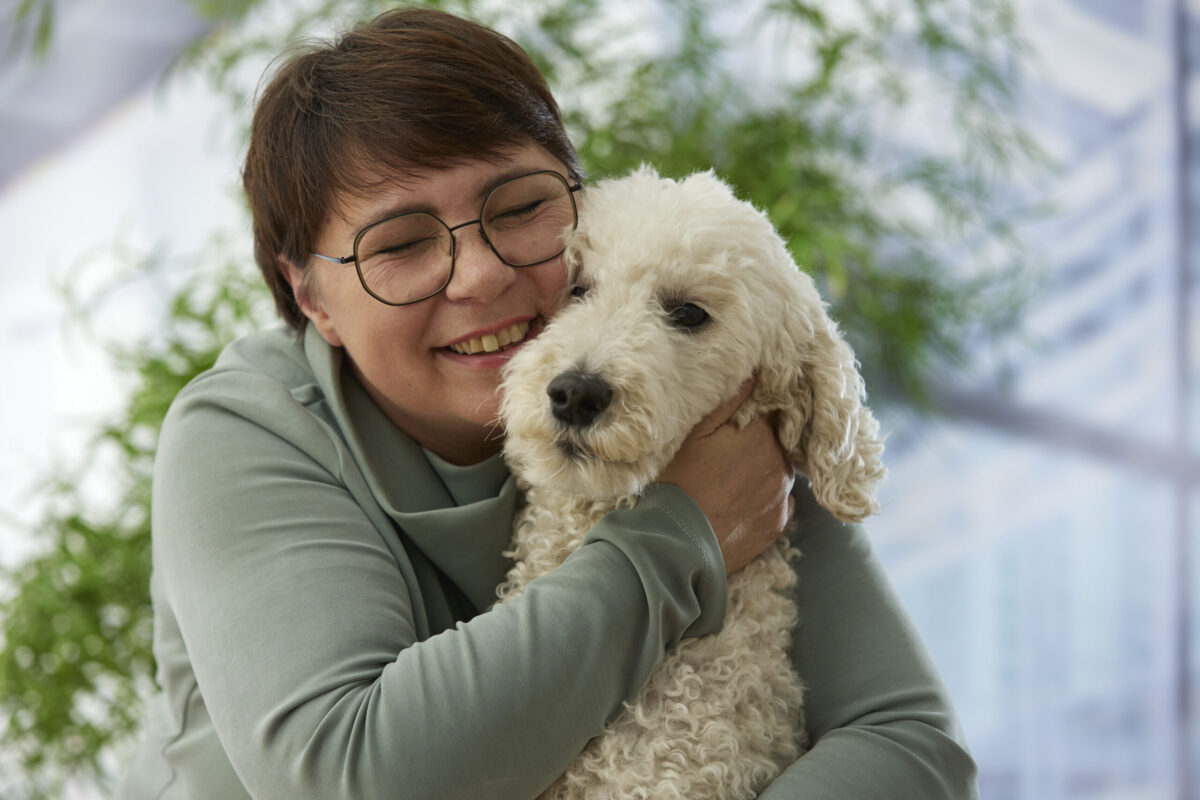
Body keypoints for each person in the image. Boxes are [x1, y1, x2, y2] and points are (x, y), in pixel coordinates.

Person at [118, 7, 978, 799]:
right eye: (402, 244)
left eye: (522, 206)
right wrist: (681, 531)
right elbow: (354, 774)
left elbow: (910, 744)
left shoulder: (694, 385)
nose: (481, 275)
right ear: (311, 298)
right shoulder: (244, 431)